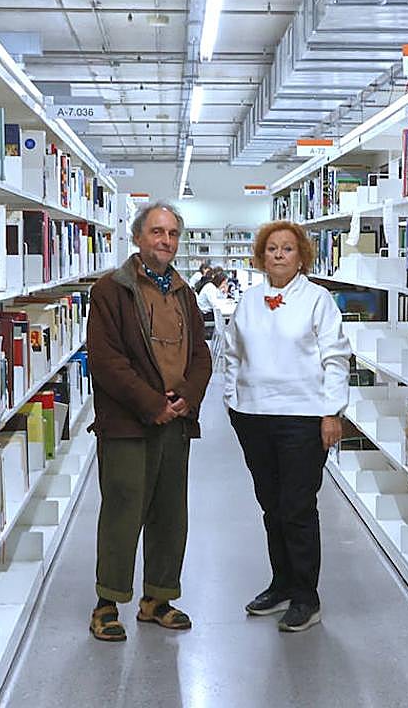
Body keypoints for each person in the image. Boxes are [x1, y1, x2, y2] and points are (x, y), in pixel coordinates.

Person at [85, 200, 212, 642]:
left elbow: (201, 354)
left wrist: (187, 398)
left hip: (176, 422)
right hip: (127, 424)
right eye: (157, 232)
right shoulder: (110, 290)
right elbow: (106, 361)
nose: (166, 241)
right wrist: (151, 403)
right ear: (138, 237)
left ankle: (158, 598)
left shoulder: (184, 292)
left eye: (173, 234)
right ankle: (107, 602)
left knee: (170, 512)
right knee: (122, 511)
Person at [222, 219, 350, 632]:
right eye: (271, 249)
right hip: (253, 416)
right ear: (261, 257)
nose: (278, 255)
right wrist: (232, 400)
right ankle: (281, 585)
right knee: (271, 506)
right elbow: (231, 353)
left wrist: (333, 411)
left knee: (297, 507)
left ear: (301, 257)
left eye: (287, 249)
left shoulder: (318, 300)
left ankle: (306, 597)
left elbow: (335, 358)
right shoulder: (249, 300)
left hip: (303, 418)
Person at [195, 268, 229, 339]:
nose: (225, 285)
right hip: (204, 314)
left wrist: (225, 292)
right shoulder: (210, 288)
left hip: (208, 311)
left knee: (226, 319)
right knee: (227, 320)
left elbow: (220, 298)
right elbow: (215, 304)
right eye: (224, 283)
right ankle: (223, 337)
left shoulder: (214, 288)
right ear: (220, 281)